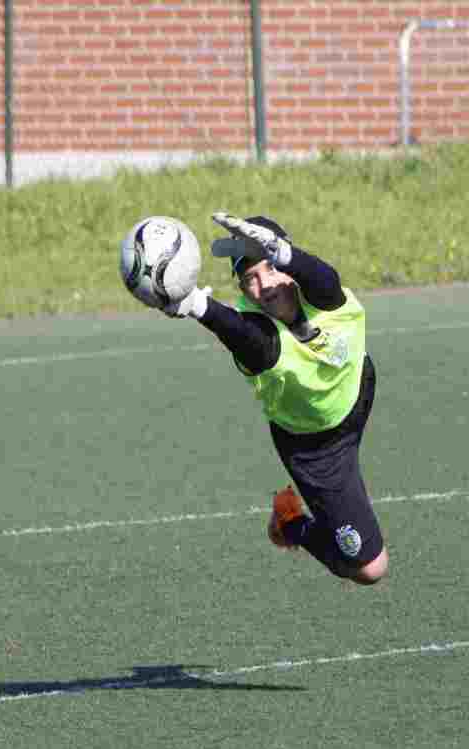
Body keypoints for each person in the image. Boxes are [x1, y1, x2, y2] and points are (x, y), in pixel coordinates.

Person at [161, 213, 388, 586]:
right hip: (317, 446)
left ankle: (335, 508)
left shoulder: (319, 290)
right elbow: (250, 340)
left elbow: (325, 279)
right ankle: (291, 524)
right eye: (249, 278)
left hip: (358, 390)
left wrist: (286, 253)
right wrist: (198, 307)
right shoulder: (254, 329)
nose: (264, 285)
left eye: (270, 267)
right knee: (370, 568)